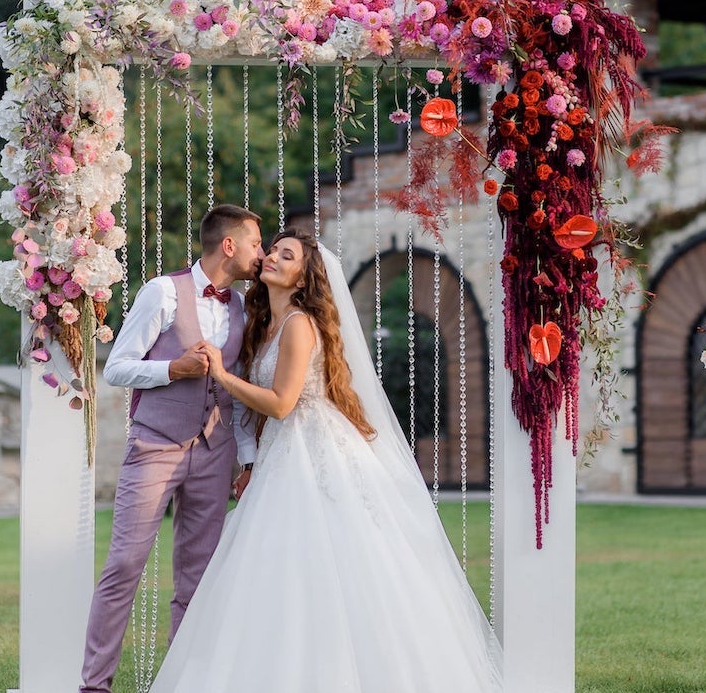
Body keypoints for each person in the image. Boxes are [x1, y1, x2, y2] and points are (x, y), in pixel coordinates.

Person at [148, 228, 503, 692]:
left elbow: (280, 403)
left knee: (334, 563)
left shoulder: (298, 324)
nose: (272, 257)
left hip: (314, 454)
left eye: (286, 255)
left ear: (302, 278)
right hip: (280, 455)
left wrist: (219, 374)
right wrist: (250, 461)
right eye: (272, 250)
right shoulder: (265, 323)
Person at [80, 204, 265, 693]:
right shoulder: (161, 292)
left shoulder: (243, 307)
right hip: (156, 444)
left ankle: (181, 683)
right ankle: (94, 686)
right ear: (230, 245)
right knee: (124, 565)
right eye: (256, 244)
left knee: (197, 577)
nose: (260, 255)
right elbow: (116, 368)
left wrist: (246, 459)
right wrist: (173, 371)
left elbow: (236, 390)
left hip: (215, 450)